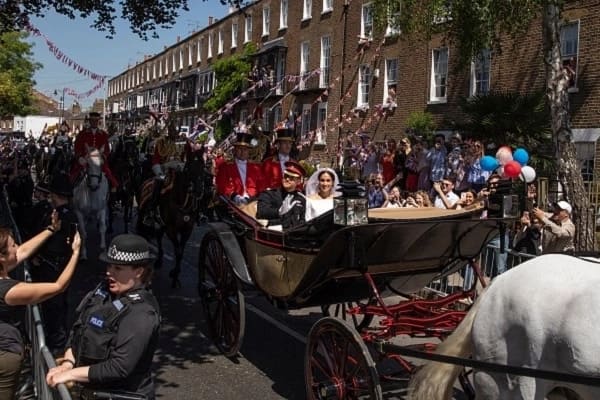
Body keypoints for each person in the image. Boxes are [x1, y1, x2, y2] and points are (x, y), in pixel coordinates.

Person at [46, 234, 160, 399]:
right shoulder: (104, 292)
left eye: (118, 268)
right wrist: (68, 363)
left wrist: (71, 375)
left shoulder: (142, 312)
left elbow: (119, 367)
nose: (109, 272)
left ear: (139, 272)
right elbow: (79, 329)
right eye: (109, 266)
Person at [0, 216, 80, 399]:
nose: (17, 247)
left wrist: (51, 229)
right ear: (2, 257)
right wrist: (75, 253)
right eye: (12, 245)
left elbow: (23, 251)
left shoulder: (3, 267)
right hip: (4, 356)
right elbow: (58, 286)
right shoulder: (8, 291)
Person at [30, 173, 79, 354]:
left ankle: (57, 344)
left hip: (51, 265)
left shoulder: (57, 215)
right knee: (58, 305)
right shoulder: (68, 213)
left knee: (54, 306)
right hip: (61, 264)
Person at [143, 121, 184, 226]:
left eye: (175, 132)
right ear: (169, 132)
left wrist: (179, 163)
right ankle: (151, 210)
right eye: (173, 132)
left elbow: (177, 156)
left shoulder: (176, 143)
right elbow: (160, 155)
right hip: (159, 165)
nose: (175, 134)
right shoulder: (161, 141)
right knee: (160, 180)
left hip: (172, 166)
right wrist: (166, 165)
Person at [70, 112, 119, 190]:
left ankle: (112, 197)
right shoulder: (82, 134)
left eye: (96, 121)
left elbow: (106, 149)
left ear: (98, 122)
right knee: (74, 175)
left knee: (110, 176)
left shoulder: (103, 134)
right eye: (92, 121)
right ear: (90, 121)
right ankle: (70, 194)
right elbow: (77, 147)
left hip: (99, 161)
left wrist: (103, 157)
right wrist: (80, 157)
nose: (94, 123)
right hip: (85, 160)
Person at [215, 131, 263, 205]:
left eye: (245, 149)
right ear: (235, 150)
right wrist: (234, 196)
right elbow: (221, 185)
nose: (242, 152)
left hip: (252, 201)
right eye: (240, 149)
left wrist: (249, 197)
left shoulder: (256, 167)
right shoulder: (225, 166)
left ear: (249, 151)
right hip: (231, 202)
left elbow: (260, 185)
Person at [256, 161, 307, 229]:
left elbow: (302, 220)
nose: (287, 179)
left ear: (298, 181)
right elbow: (261, 212)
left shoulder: (301, 199)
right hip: (272, 233)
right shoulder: (269, 194)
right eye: (286, 176)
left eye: (291, 178)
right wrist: (279, 211)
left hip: (293, 234)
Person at [262, 125, 296, 190]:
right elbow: (264, 184)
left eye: (290, 143)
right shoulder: (268, 163)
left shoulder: (295, 164)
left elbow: (298, 184)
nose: (288, 146)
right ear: (278, 144)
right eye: (285, 143)